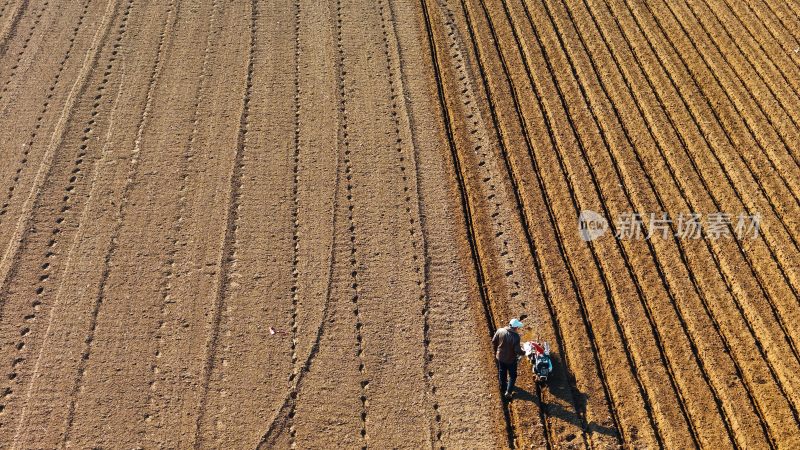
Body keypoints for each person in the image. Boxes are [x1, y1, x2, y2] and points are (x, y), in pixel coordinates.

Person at [492, 318, 525, 400]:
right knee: (513, 375)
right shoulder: (516, 336)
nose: (518, 329)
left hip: (500, 357)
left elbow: (493, 341)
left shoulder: (500, 330)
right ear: (516, 327)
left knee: (502, 371)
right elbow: (517, 350)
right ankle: (508, 392)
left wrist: (498, 349)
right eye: (518, 327)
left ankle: (503, 387)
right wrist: (524, 352)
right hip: (510, 360)